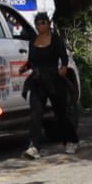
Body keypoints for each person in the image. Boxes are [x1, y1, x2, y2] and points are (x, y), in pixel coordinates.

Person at [21, 11, 78, 159]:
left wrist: (64, 68)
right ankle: (34, 147)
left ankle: (71, 140)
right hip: (37, 80)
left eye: (43, 22)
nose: (40, 26)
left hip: (54, 79)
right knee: (36, 113)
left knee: (60, 112)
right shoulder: (33, 40)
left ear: (48, 24)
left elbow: (64, 57)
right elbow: (31, 61)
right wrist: (24, 68)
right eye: (37, 23)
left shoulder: (56, 40)